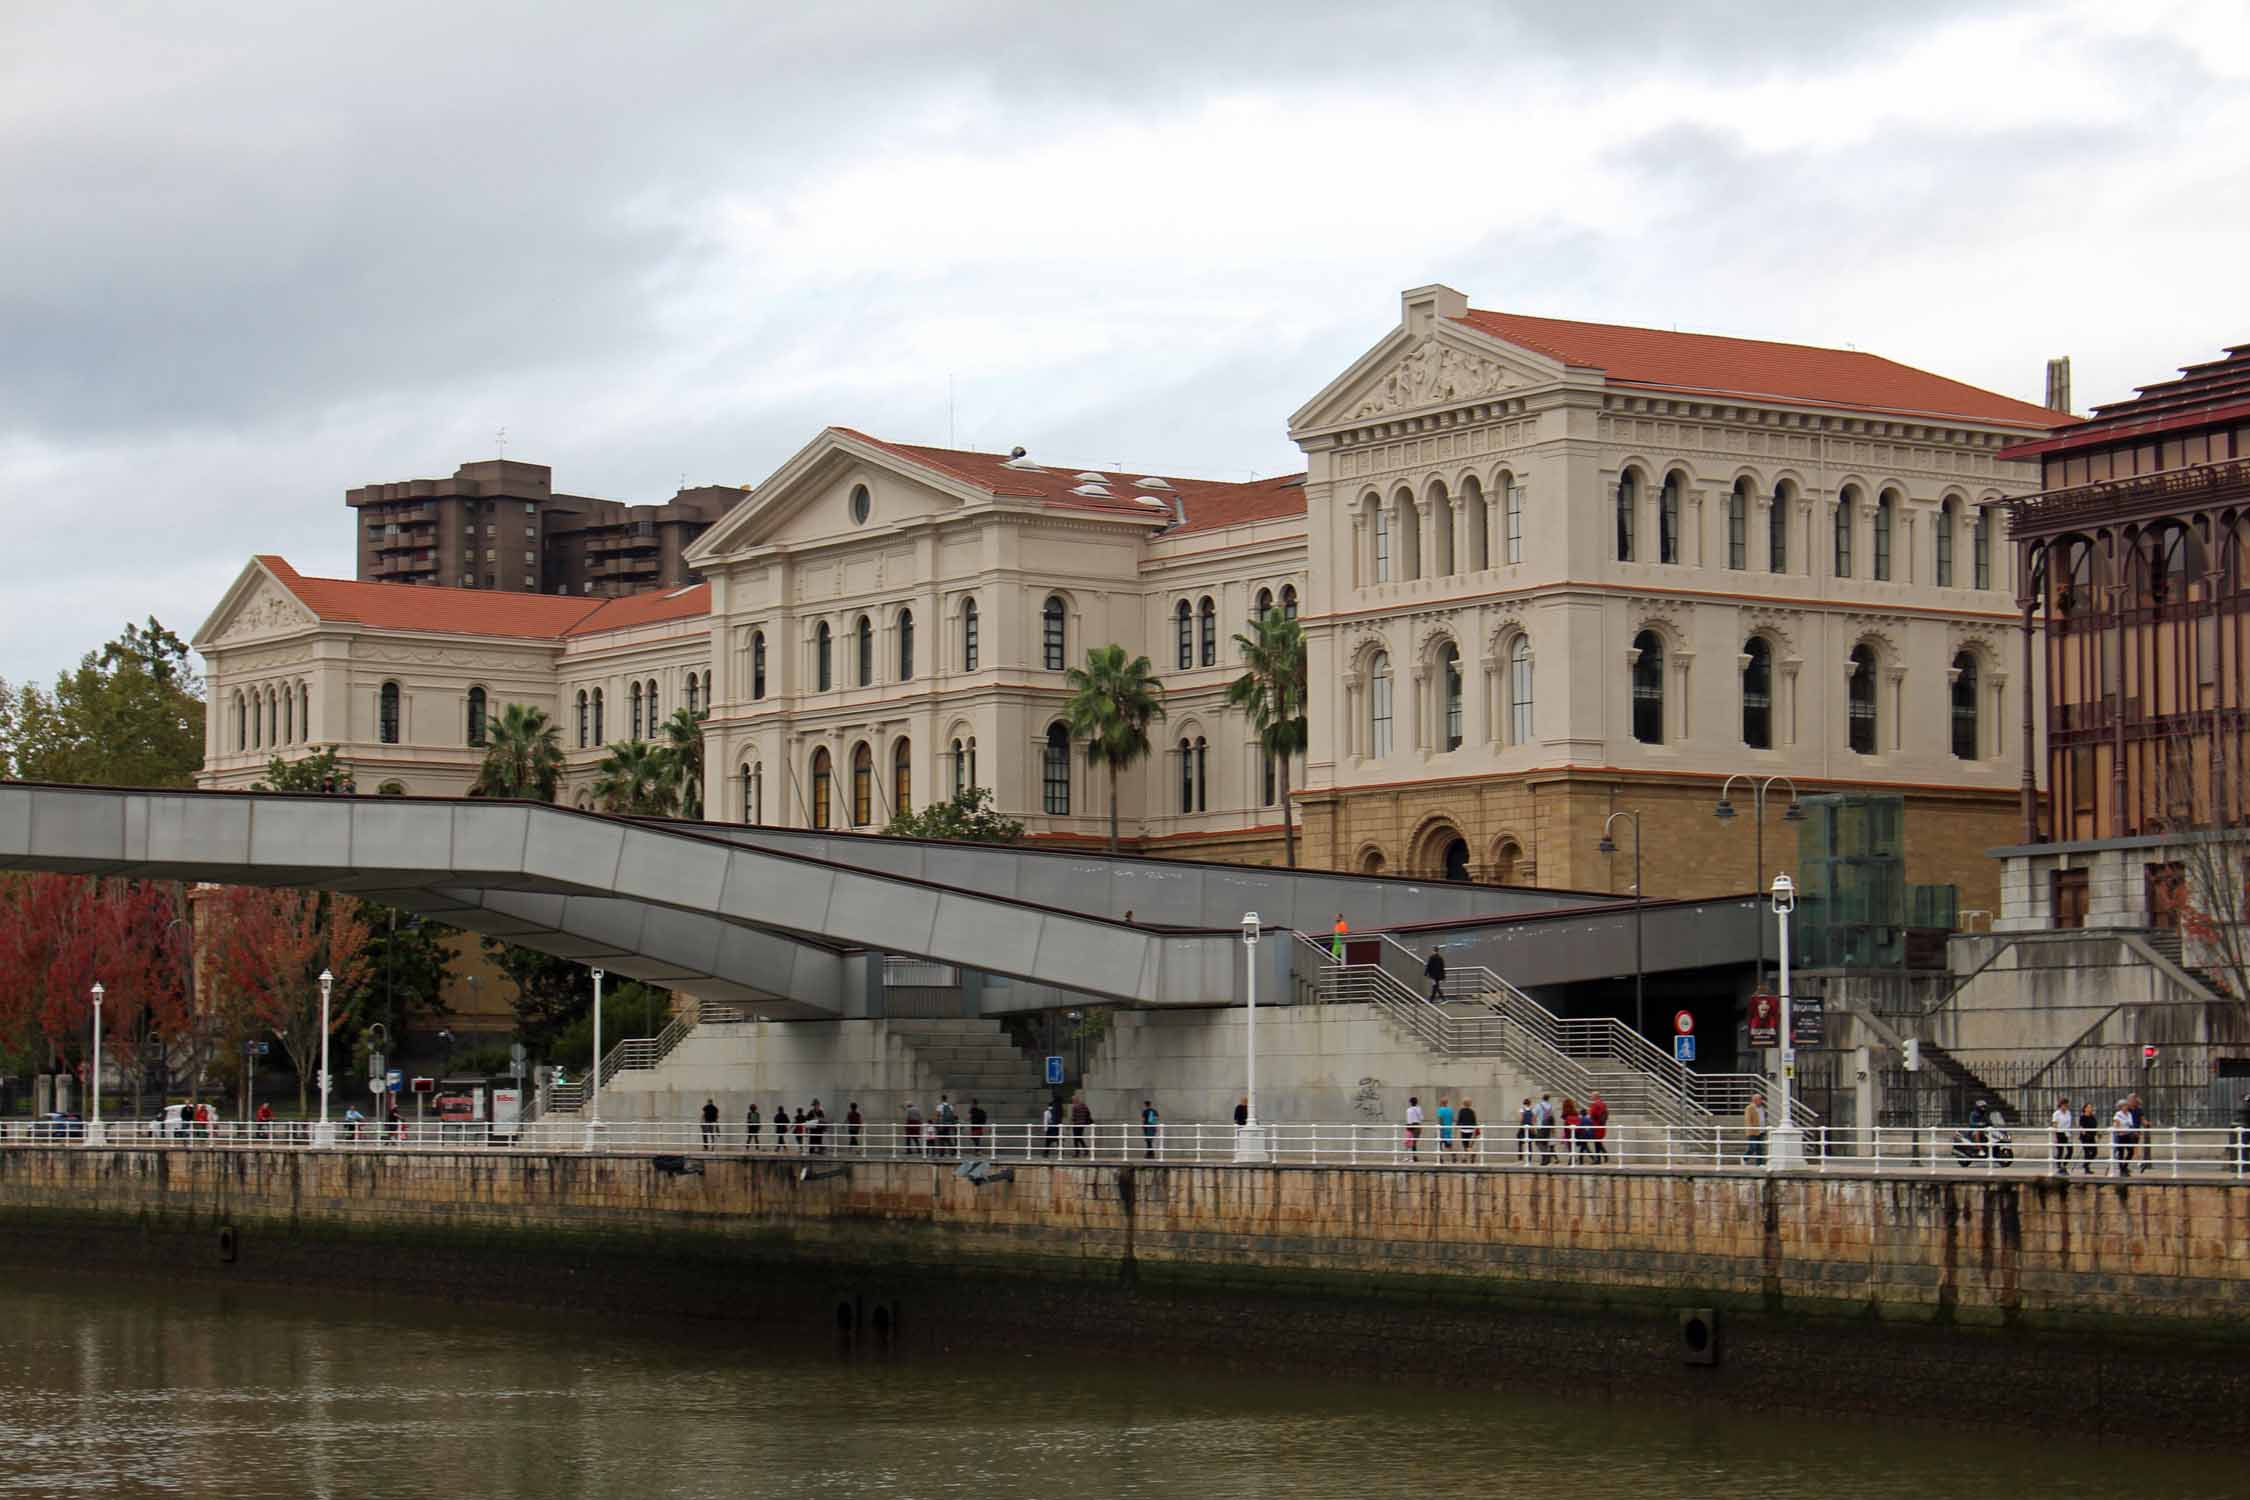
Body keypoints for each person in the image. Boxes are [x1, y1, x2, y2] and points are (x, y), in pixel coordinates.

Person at [2050, 1096, 2073, 1176]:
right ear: (2061, 1105)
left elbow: (2069, 1124)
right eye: (2064, 1105)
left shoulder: (2068, 1112)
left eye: (2067, 1105)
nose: (2066, 1106)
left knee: (2070, 1150)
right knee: (2060, 1151)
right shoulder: (2056, 1113)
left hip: (2067, 1133)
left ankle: (2064, 1165)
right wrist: (2055, 1136)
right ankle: (2059, 1167)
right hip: (2059, 1133)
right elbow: (2055, 1125)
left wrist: (2070, 1134)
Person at [2111, 1097, 2135, 1176]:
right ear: (2120, 1107)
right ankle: (2122, 1170)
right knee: (2121, 1153)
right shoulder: (2118, 1114)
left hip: (2127, 1135)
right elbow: (2116, 1123)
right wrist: (2119, 1131)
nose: (2125, 1107)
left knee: (2131, 1151)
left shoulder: (2129, 1114)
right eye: (2124, 1106)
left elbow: (2130, 1124)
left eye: (2126, 1105)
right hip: (2120, 1135)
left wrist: (2132, 1131)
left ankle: (2124, 1167)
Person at [1743, 1094, 1768, 1165]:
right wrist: (1752, 1127)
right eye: (1760, 1099)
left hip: (1761, 1130)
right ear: (1755, 1100)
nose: (1761, 1100)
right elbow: (1748, 1119)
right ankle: (1744, 1158)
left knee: (1759, 1148)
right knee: (1753, 1147)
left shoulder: (1762, 1108)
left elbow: (1762, 1118)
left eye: (1761, 1099)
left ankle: (1759, 1164)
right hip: (1753, 1131)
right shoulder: (1749, 1108)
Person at [2077, 1100, 2099, 1175]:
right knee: (2087, 1153)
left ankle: (2085, 1164)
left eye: (2091, 1107)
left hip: (2092, 1137)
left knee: (2095, 1152)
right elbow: (2081, 1127)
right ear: (2085, 1109)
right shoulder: (2082, 1117)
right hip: (2085, 1137)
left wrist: (2098, 1133)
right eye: (2089, 1107)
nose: (2090, 1108)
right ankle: (2086, 1169)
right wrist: (2085, 1134)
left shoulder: (2092, 1116)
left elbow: (2095, 1125)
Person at [1587, 1093, 1609, 1164]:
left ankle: (1598, 1159)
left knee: (1597, 1143)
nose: (1590, 1097)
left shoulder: (1595, 1105)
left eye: (1591, 1096)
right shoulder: (1603, 1104)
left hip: (1596, 1126)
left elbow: (1592, 1115)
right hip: (1602, 1126)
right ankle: (1604, 1155)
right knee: (1598, 1142)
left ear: (1595, 1096)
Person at [1536, 1092, 1557, 1166]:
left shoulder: (1538, 1105)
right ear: (1548, 1099)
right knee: (1545, 1143)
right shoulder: (1550, 1106)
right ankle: (1544, 1160)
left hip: (1540, 1127)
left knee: (1538, 1143)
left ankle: (1546, 1157)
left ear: (1542, 1098)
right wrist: (1553, 1129)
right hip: (1548, 1128)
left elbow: (1534, 1116)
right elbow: (1552, 1118)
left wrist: (1533, 1126)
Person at [1561, 1097, 1583, 1164]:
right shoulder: (1575, 1111)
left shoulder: (1565, 1112)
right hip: (1576, 1129)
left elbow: (1563, 1117)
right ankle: (1573, 1158)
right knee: (1574, 1143)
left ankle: (1572, 1158)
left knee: (1569, 1144)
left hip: (1568, 1128)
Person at [1517, 1097, 1535, 1163]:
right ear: (1530, 1103)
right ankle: (1529, 1159)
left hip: (1523, 1127)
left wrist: (1520, 1126)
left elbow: (1521, 1119)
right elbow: (1533, 1120)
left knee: (1520, 1142)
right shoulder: (1532, 1109)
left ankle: (1520, 1157)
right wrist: (1533, 1128)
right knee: (1529, 1144)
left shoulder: (1522, 1109)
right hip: (1530, 1128)